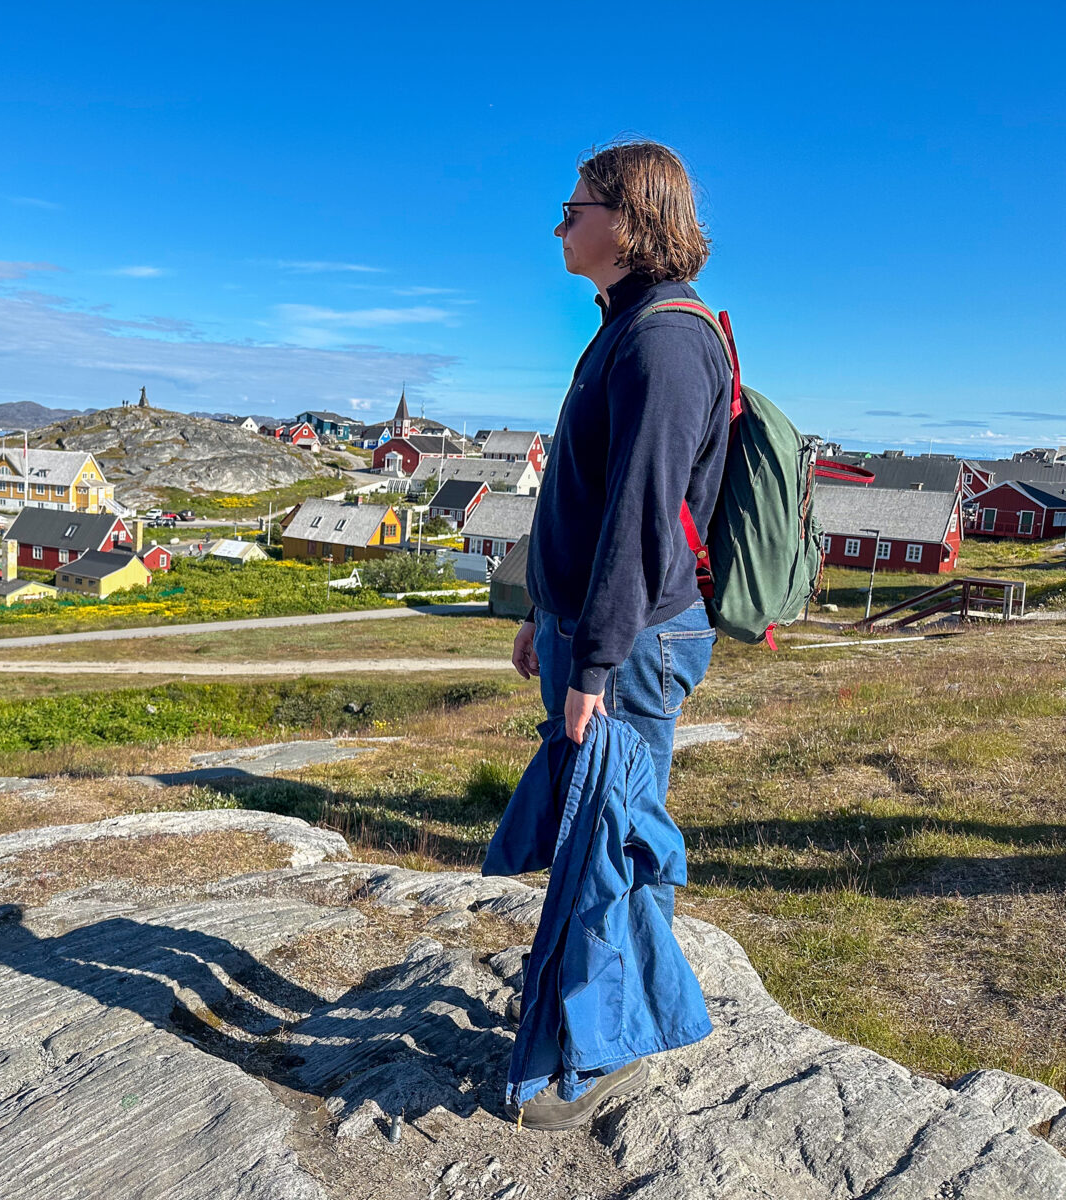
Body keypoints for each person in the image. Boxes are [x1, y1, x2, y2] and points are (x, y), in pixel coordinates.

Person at [504, 140, 730, 1124]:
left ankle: (604, 1047)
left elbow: (641, 518)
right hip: (593, 633)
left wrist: (591, 658)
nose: (559, 223)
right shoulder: (621, 328)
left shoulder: (664, 341)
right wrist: (540, 615)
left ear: (630, 219)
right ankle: (595, 1014)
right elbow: (585, 500)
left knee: (614, 841)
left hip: (634, 648)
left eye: (574, 206)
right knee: (591, 831)